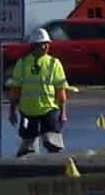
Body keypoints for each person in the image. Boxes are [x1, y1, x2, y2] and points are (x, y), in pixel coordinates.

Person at [9, 27, 70, 156]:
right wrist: (12, 111)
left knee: (52, 143)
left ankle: (55, 168)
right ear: (34, 46)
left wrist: (63, 112)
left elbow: (60, 89)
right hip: (28, 111)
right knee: (27, 148)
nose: (45, 47)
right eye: (42, 44)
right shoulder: (23, 63)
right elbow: (16, 89)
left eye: (47, 44)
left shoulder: (54, 63)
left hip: (49, 109)